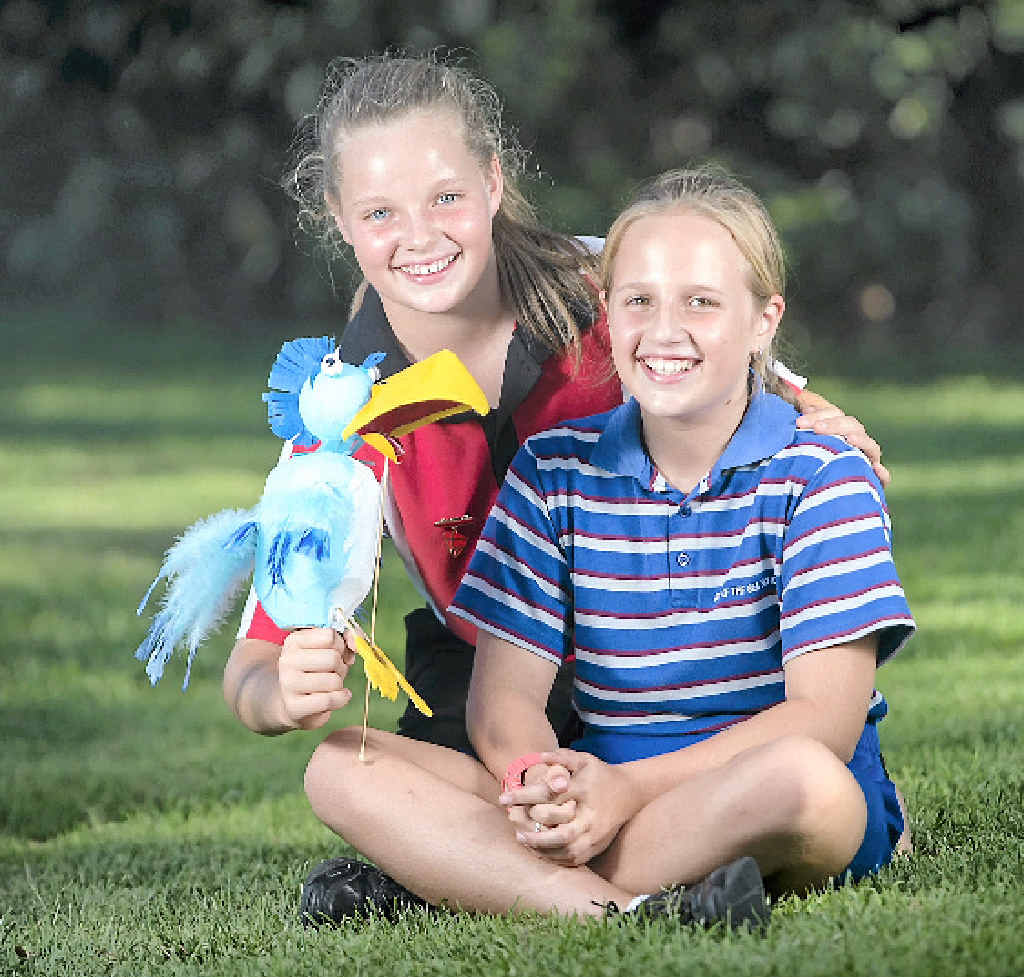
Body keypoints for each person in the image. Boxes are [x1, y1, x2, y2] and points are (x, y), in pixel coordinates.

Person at [219, 53, 893, 918]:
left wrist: (828, 426)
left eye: (447, 197)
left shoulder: (609, 289)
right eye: (382, 211)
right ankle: (600, 902)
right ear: (339, 220)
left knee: (798, 779)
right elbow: (257, 662)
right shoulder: (341, 418)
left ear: (495, 183)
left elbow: (750, 370)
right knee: (345, 768)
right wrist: (280, 692)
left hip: (688, 677)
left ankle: (462, 876)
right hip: (505, 706)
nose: (421, 235)